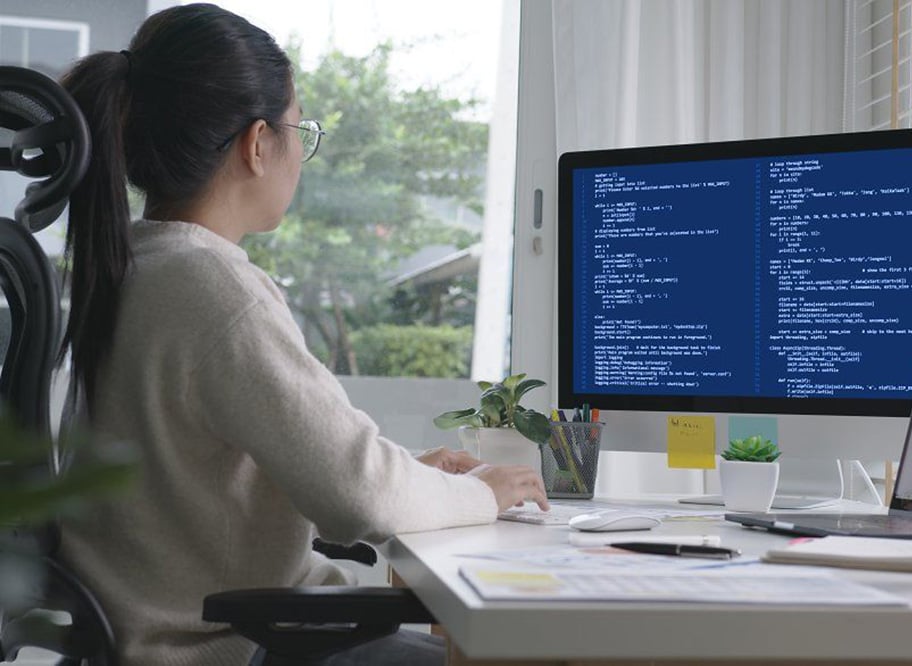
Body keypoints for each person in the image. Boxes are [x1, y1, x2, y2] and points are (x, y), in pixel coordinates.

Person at [55, 4, 549, 665]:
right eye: (299, 130)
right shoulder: (214, 287)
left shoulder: (137, 263)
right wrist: (482, 495)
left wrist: (407, 475)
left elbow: (247, 475)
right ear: (258, 143)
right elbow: (361, 498)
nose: (301, 153)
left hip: (148, 635)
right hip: (221, 646)